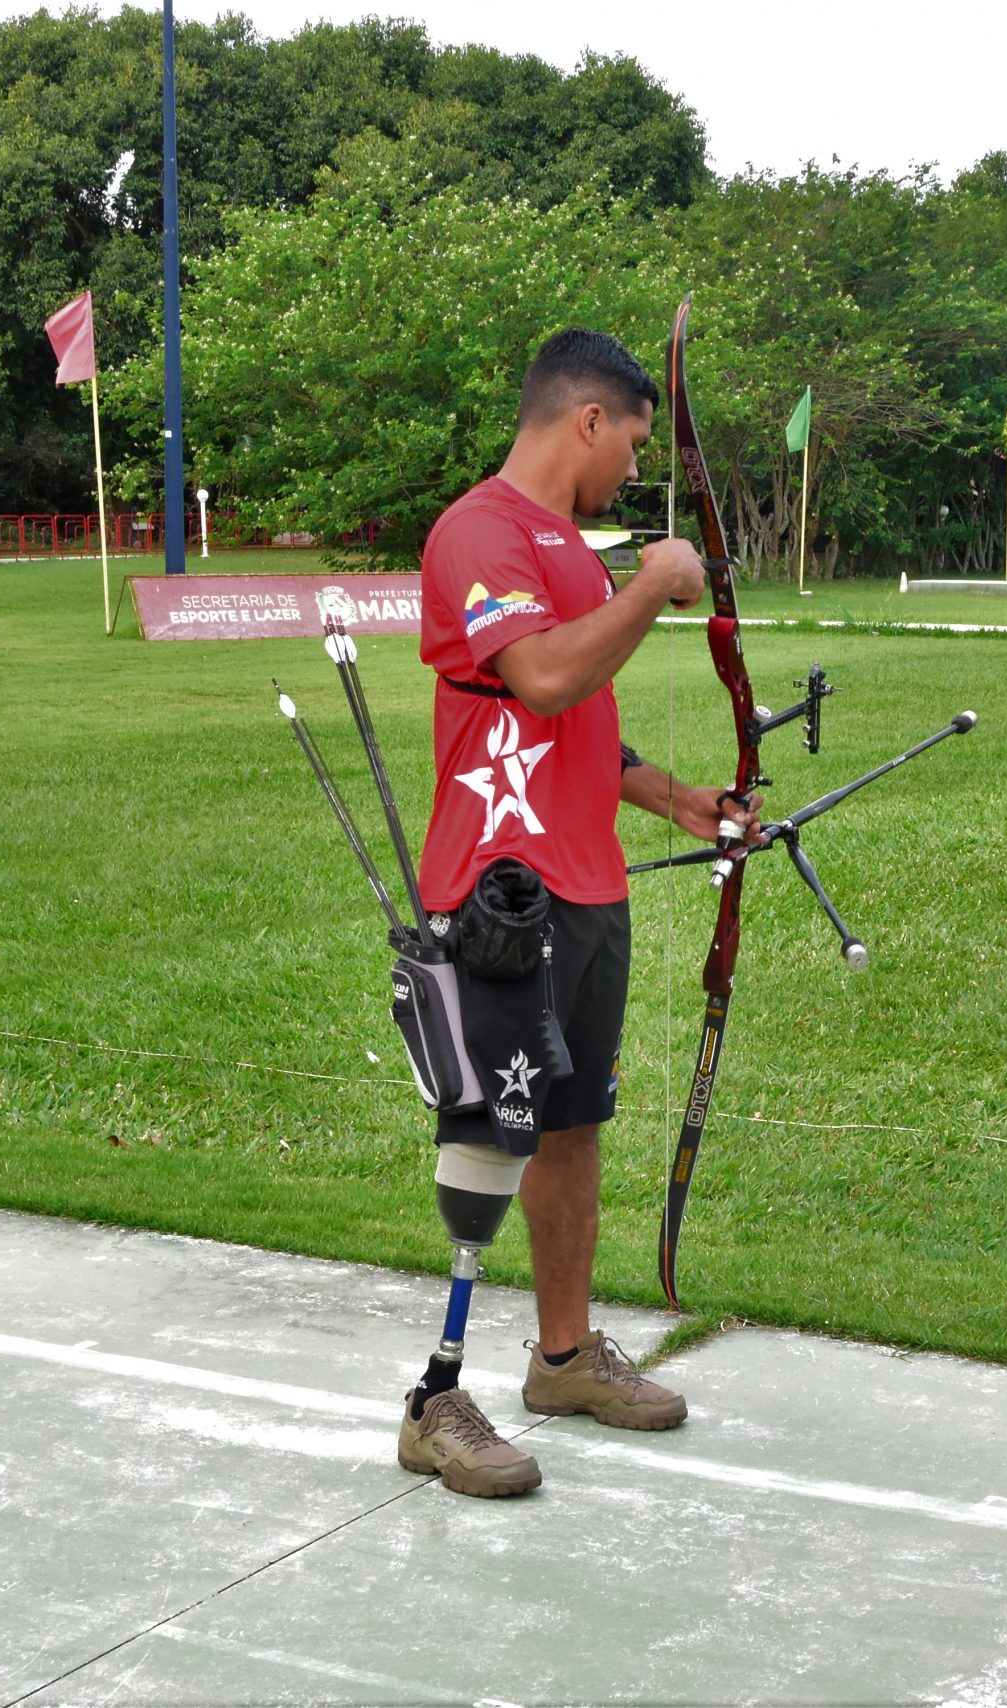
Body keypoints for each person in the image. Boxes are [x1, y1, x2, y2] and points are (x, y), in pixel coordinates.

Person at [396, 327, 757, 1497]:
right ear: (588, 419)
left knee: (569, 1122)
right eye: (632, 442)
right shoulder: (481, 532)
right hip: (501, 888)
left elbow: (573, 730)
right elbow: (542, 676)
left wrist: (677, 799)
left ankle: (560, 1358)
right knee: (489, 1126)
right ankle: (437, 1397)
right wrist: (656, 581)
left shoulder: (567, 546)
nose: (632, 472)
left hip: (587, 885)